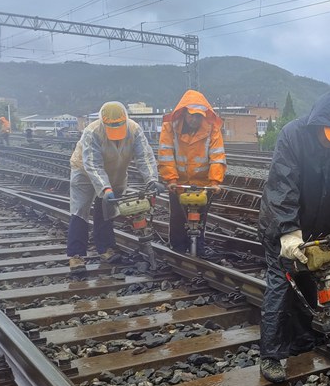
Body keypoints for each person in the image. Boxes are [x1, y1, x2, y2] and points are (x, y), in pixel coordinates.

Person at [257, 90, 330, 383]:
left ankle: (304, 343)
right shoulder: (293, 136)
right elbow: (283, 187)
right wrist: (289, 234)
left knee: (308, 283)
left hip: (319, 227)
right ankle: (272, 354)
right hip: (281, 225)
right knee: (283, 283)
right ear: (319, 126)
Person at [67, 101, 161, 273]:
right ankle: (76, 256)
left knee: (106, 212)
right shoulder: (92, 132)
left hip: (115, 172)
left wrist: (152, 180)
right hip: (84, 172)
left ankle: (106, 249)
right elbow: (93, 164)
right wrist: (105, 188)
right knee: (80, 211)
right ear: (103, 123)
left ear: (125, 120)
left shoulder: (134, 130)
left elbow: (144, 157)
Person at [158, 90, 226, 255]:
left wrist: (215, 182)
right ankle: (178, 250)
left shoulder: (212, 129)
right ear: (184, 113)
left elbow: (217, 156)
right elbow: (166, 155)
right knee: (177, 218)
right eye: (191, 115)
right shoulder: (170, 128)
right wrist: (171, 179)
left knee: (200, 219)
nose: (194, 119)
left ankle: (198, 249)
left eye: (198, 116)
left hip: (202, 184)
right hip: (178, 183)